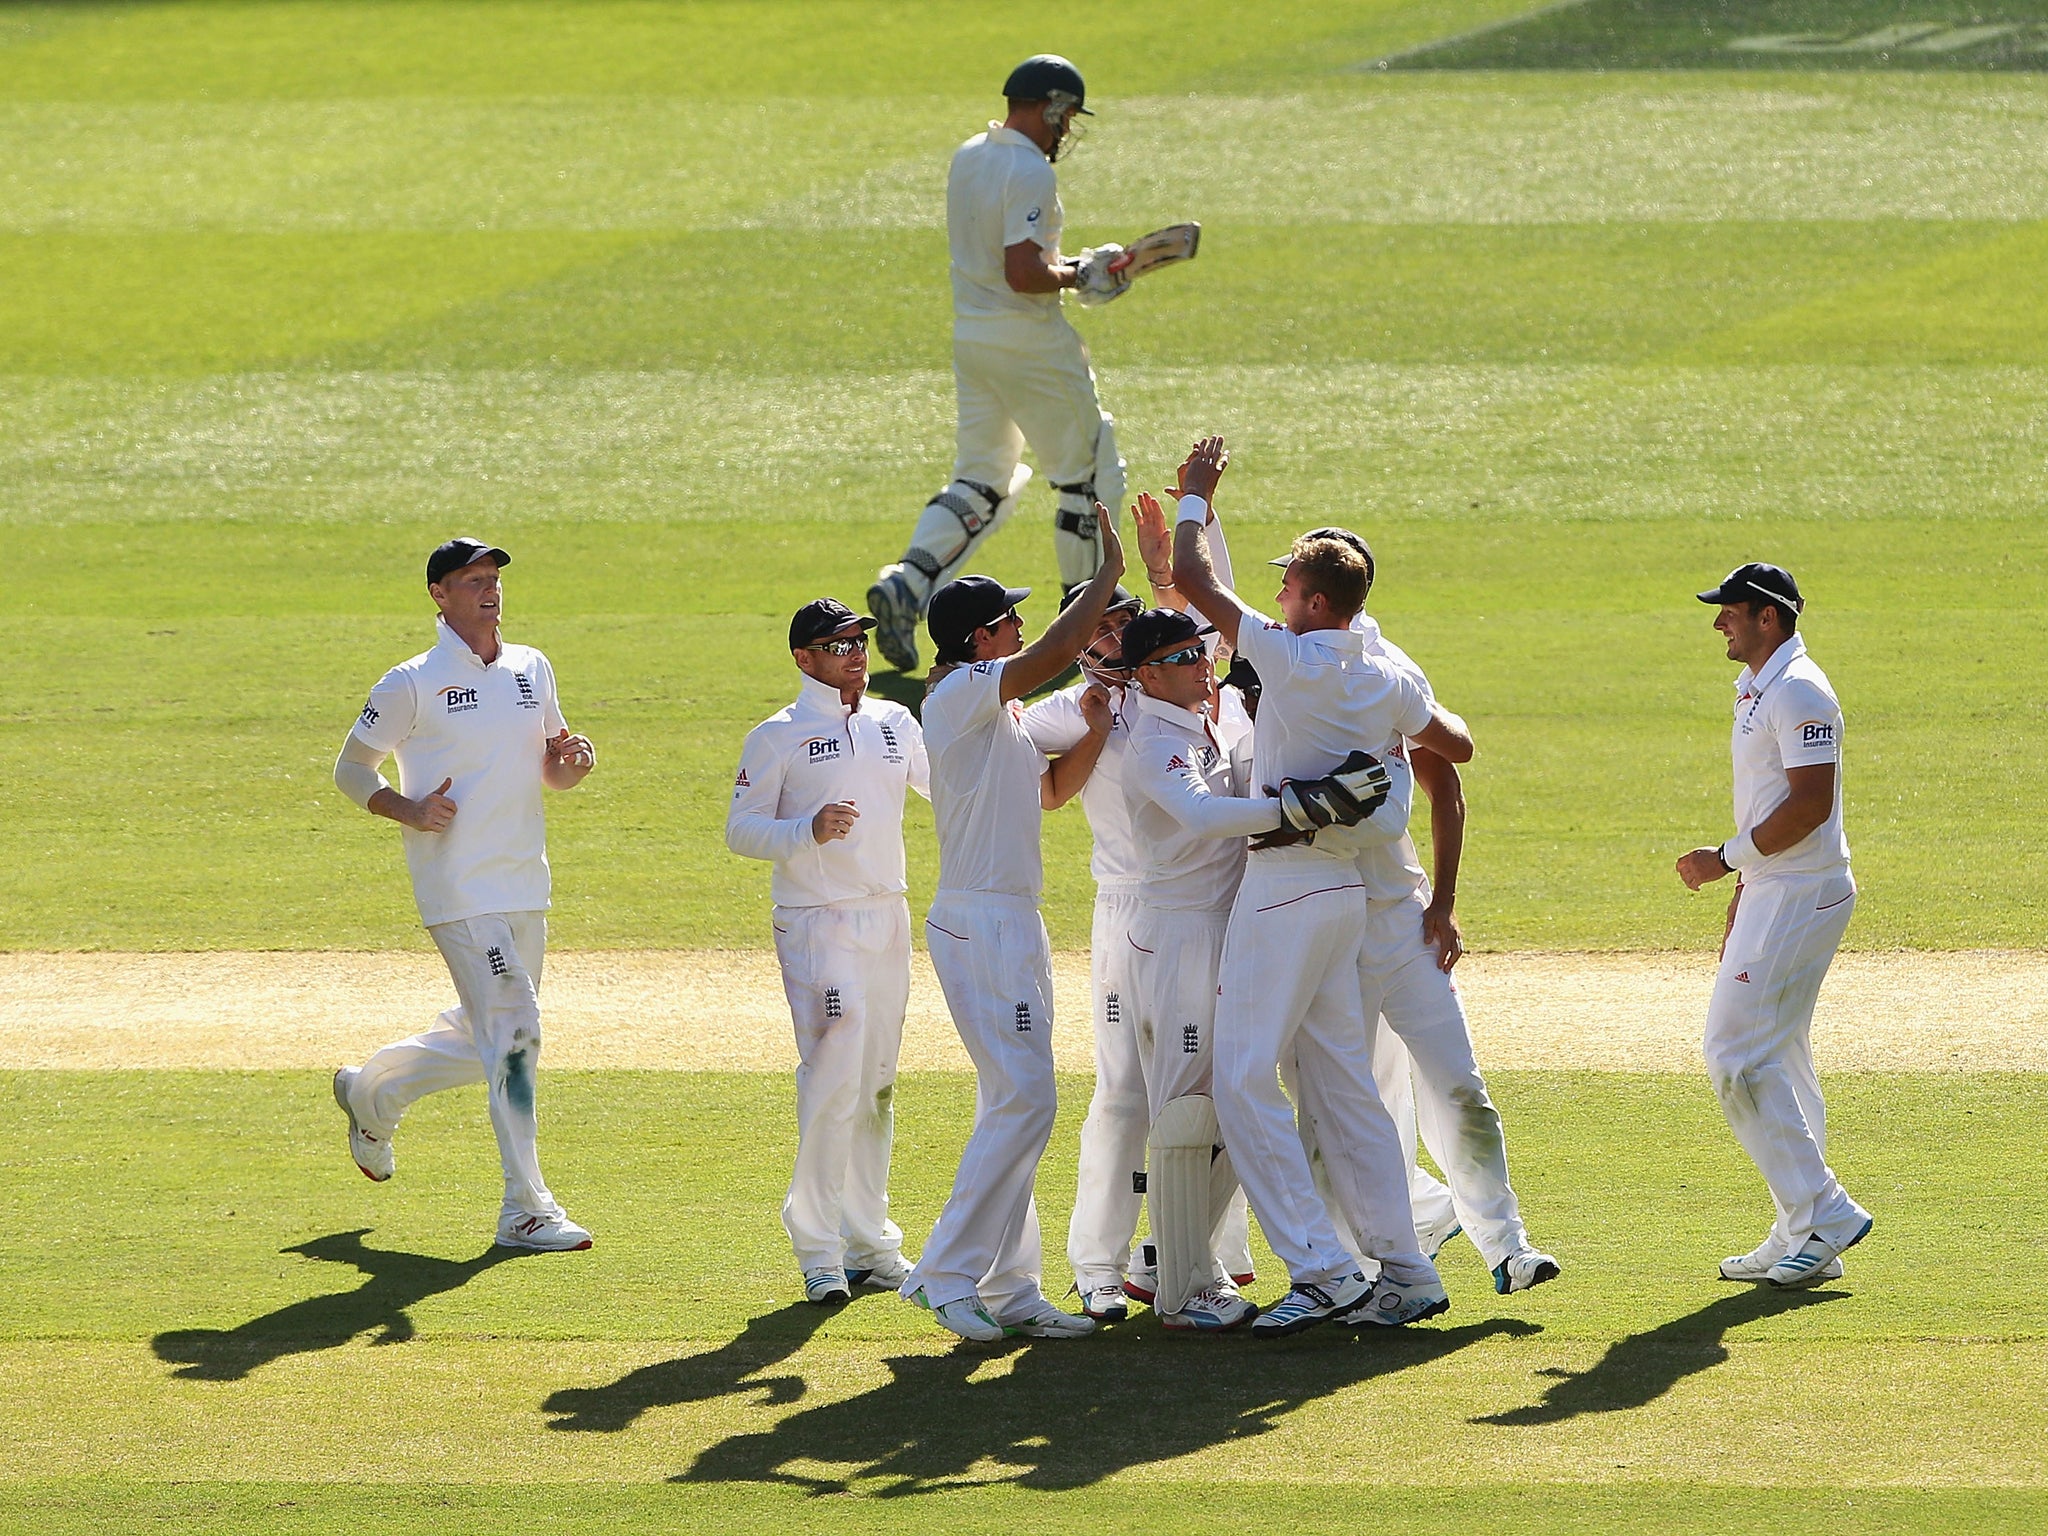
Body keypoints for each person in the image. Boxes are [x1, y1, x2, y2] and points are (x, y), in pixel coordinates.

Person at [1170, 436, 1476, 1337]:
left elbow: (1191, 578)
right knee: (1342, 1087)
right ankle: (1408, 1272)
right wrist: (1381, 749)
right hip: (1346, 895)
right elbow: (1454, 748)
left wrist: (1197, 494)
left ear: (1313, 602)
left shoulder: (1292, 658)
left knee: (1240, 1077)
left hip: (1284, 888)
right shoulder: (1385, 675)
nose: (1273, 601)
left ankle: (1322, 1269)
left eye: (1286, 590)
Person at [1291, 525, 1561, 1298]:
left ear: (1331, 597)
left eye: (1295, 587)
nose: (1284, 602)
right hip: (1327, 921)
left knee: (1456, 1087)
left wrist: (1442, 903)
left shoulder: (1389, 671)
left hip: (1400, 918)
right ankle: (1385, 1252)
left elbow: (1450, 780)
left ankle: (1506, 1246)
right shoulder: (1280, 663)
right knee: (1352, 1110)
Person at [330, 538, 597, 1252]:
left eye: (494, 579)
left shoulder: (529, 667)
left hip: (523, 878)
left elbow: (552, 769)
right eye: (472, 580)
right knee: (515, 1029)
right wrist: (408, 810)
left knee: (492, 1032)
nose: (490, 589)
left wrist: (575, 761)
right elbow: (351, 768)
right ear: (439, 595)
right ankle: (526, 1209)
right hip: (457, 883)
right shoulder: (410, 682)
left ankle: (373, 1092)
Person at [898, 514, 1127, 1342]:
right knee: (1029, 1097)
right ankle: (945, 1273)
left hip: (1010, 923)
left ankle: (1012, 1287)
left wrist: (1099, 725)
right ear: (976, 639)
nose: (1021, 626)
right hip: (978, 922)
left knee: (1013, 1099)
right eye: (1008, 619)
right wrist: (1105, 576)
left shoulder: (1000, 715)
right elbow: (1054, 656)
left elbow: (1052, 791)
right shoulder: (960, 694)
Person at [866, 52, 1131, 673]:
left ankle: (907, 583)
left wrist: (1070, 270)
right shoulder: (1030, 170)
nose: (1066, 130)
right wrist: (1080, 275)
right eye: (1065, 117)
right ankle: (1087, 622)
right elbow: (1023, 271)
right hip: (1031, 344)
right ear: (1054, 107)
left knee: (985, 476)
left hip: (974, 339)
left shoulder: (969, 154)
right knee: (1087, 475)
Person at [726, 599, 931, 1306]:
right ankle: (817, 1247)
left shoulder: (894, 723)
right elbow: (742, 830)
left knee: (875, 1084)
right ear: (803, 657)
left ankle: (871, 1243)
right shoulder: (778, 736)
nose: (853, 652)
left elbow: (949, 789)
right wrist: (806, 830)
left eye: (858, 641)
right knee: (833, 1072)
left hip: (888, 913)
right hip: (817, 921)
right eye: (836, 643)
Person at [1677, 563, 1871, 1289]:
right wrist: (1745, 885)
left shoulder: (1799, 689)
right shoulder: (1762, 687)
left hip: (1800, 892)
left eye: (1730, 609)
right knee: (1781, 1055)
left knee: (1733, 1054)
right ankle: (1802, 1232)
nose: (1719, 621)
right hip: (1776, 887)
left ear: (1769, 617)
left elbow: (1809, 804)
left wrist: (1724, 861)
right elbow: (1774, 807)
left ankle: (1825, 1209)